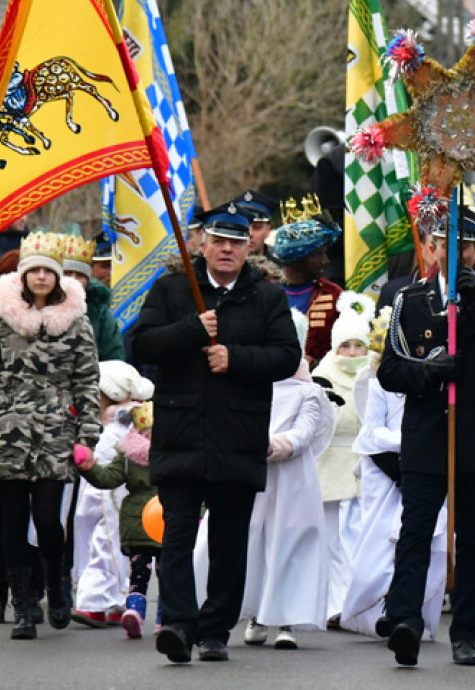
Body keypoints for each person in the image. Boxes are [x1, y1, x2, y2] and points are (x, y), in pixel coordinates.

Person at [132, 202, 301, 663]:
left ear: (249, 246)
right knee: (177, 535)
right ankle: (179, 626)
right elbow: (141, 345)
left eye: (236, 242)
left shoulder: (266, 297)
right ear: (202, 244)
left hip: (237, 434)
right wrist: (190, 329)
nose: (226, 249)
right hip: (181, 431)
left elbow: (286, 356)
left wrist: (236, 358)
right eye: (218, 241)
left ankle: (214, 630)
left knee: (229, 541)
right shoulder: (171, 289)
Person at [377, 211, 475, 667]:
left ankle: (464, 633)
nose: (456, 251)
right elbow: (389, 370)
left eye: (466, 244)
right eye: (446, 241)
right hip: (427, 435)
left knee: (474, 539)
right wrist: (427, 372)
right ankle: (405, 620)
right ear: (431, 247)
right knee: (415, 532)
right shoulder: (409, 298)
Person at [0, 231, 102, 640]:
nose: (41, 277)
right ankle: (23, 605)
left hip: (55, 433)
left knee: (46, 516)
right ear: (23, 275)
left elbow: (87, 382)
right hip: (8, 434)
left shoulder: (75, 323)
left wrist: (86, 435)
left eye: (48, 270)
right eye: (34, 270)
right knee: (11, 518)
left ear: (59, 277)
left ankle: (56, 586)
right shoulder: (0, 318)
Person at [341, 306, 449, 640]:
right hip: (386, 469)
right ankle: (375, 608)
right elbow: (373, 432)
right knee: (382, 544)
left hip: (426, 468)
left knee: (423, 541)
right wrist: (411, 446)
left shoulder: (438, 379)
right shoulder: (378, 382)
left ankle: (406, 610)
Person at [241, 310, 332, 649]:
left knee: (291, 541)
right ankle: (256, 611)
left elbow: (304, 432)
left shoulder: (307, 392)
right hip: (254, 475)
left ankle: (288, 617)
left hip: (293, 481)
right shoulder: (251, 384)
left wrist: (272, 444)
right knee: (255, 541)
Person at [309, 293, 376, 626]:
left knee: (361, 540)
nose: (352, 353)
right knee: (333, 543)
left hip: (366, 470)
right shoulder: (320, 378)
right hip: (331, 469)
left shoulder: (376, 376)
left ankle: (359, 603)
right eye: (345, 346)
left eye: (359, 346)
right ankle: (336, 605)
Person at [71, 361, 153, 629]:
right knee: (117, 550)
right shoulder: (138, 420)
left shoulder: (114, 428)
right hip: (129, 502)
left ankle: (94, 601)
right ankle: (117, 601)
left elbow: (107, 471)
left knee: (104, 545)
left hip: (113, 499)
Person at [272, 197, 342, 368]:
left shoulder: (333, 294)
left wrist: (317, 363)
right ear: (297, 257)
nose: (325, 261)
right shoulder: (266, 293)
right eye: (318, 254)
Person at [61, 235, 125, 361]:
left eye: (80, 275)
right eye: (67, 274)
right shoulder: (41, 305)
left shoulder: (99, 312)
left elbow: (113, 358)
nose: (73, 280)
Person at [232, 190, 279, 261]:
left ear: (268, 231)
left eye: (257, 227)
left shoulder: (281, 266)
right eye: (243, 226)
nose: (250, 233)